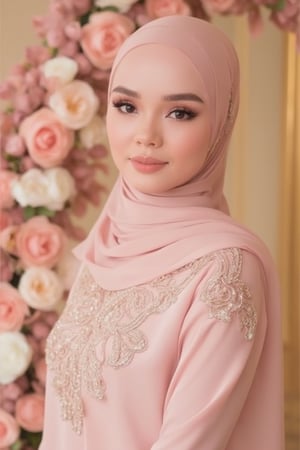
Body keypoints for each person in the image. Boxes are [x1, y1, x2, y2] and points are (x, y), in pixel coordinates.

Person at [39, 15, 284, 450]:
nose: (146, 136)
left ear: (221, 122)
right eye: (127, 106)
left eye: (180, 112)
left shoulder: (226, 269)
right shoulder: (107, 243)